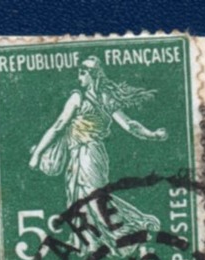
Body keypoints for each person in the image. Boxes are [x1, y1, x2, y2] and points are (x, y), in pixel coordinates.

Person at [27, 56, 168, 246]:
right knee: (78, 201)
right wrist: (152, 135)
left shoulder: (82, 98)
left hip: (89, 156)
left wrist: (37, 154)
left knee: (94, 200)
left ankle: (137, 228)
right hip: (80, 156)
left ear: (92, 75)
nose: (79, 78)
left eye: (82, 73)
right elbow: (129, 125)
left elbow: (58, 126)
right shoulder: (101, 98)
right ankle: (88, 247)